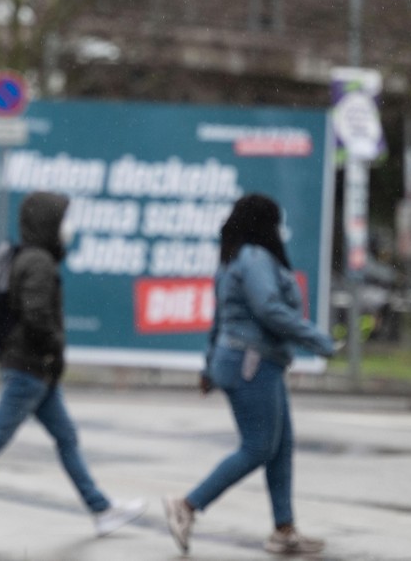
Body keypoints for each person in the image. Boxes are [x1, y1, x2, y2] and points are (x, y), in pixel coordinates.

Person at [0, 191, 146, 543]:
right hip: (28, 370)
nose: (69, 227)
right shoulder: (38, 263)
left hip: (35, 371)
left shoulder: (34, 258)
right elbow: (36, 316)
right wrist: (54, 349)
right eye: (63, 219)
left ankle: (102, 510)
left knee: (66, 438)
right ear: (49, 223)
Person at [162, 193, 336, 556]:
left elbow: (219, 320)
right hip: (251, 362)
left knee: (280, 447)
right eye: (275, 223)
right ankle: (188, 505)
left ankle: (284, 530)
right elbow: (269, 309)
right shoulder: (256, 258)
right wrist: (316, 339)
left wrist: (209, 366)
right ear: (264, 224)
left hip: (248, 360)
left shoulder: (231, 260)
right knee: (258, 447)